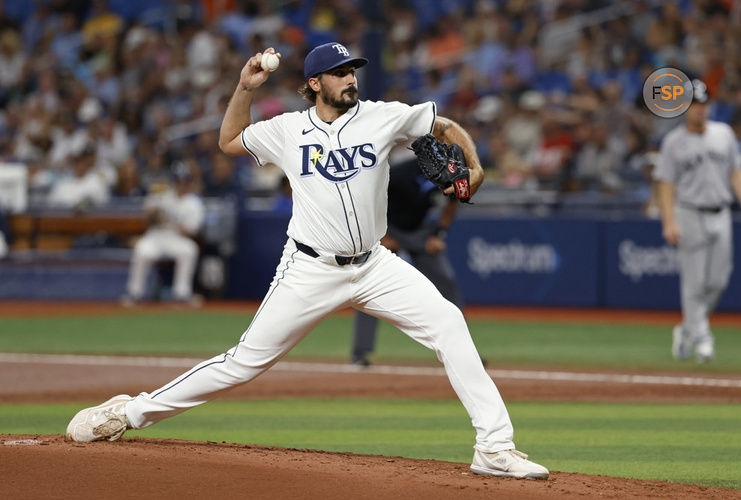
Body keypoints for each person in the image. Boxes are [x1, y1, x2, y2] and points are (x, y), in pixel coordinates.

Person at [66, 42, 549, 480]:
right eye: (339, 73)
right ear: (315, 83)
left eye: (353, 70)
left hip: (375, 264)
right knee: (242, 364)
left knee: (448, 322)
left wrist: (476, 164)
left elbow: (443, 125)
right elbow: (230, 141)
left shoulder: (383, 116)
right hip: (310, 268)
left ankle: (494, 447)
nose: (350, 79)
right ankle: (128, 413)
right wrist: (243, 88)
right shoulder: (288, 129)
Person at [655, 79, 741, 362]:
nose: (700, 109)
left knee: (719, 281)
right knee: (694, 284)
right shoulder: (674, 141)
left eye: (704, 103)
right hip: (689, 212)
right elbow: (666, 184)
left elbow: (736, 173)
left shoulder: (724, 134)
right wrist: (669, 221)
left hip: (720, 212)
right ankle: (704, 339)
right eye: (695, 104)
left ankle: (688, 328)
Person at [351, 152, 462, 366]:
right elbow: (369, 201)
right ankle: (360, 352)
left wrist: (438, 233)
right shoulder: (400, 173)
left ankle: (460, 352)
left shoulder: (451, 173)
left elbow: (454, 202)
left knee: (445, 281)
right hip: (388, 227)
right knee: (370, 286)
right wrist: (382, 236)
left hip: (420, 230)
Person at [122, 162, 205, 305]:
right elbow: (148, 218)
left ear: (189, 182)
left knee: (189, 250)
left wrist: (173, 223)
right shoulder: (163, 194)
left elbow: (192, 232)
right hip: (156, 237)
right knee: (142, 249)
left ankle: (181, 294)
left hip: (177, 238)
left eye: (184, 180)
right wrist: (154, 206)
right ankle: (135, 294)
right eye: (178, 180)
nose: (181, 184)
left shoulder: (194, 202)